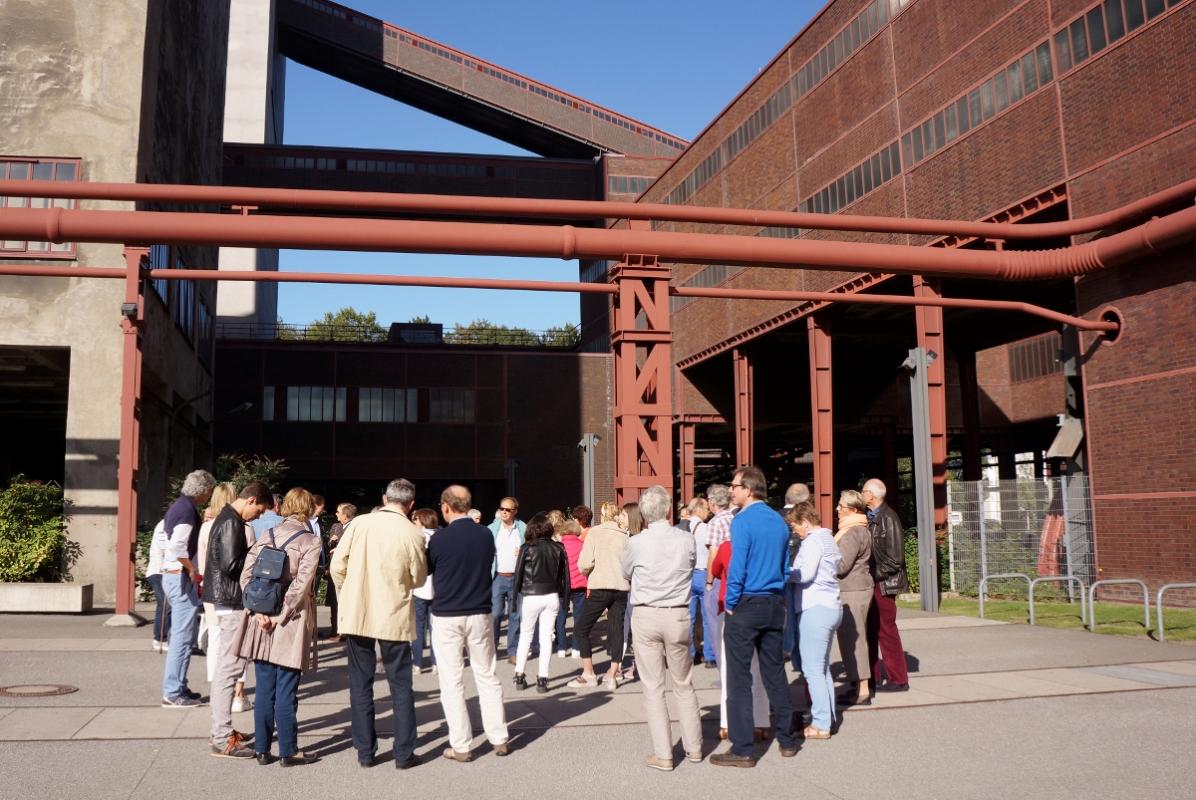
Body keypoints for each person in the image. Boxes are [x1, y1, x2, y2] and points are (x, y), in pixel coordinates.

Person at [330, 479, 428, 770]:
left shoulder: (359, 524)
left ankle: (365, 751)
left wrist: (346, 593)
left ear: (384, 497)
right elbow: (419, 578)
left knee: (360, 684)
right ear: (411, 504)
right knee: (400, 685)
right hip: (393, 612)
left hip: (358, 610)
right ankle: (403, 752)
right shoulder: (411, 532)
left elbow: (337, 566)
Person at [710, 466, 799, 767]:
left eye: (734, 486)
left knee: (738, 678)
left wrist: (731, 600)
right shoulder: (778, 520)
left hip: (747, 603)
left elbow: (738, 565)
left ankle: (743, 748)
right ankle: (787, 740)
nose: (731, 491)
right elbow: (785, 564)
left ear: (748, 489)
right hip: (774, 602)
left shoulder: (743, 520)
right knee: (774, 673)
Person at [235, 487, 323, 766]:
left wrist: (258, 611)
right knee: (286, 687)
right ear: (308, 508)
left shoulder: (267, 534)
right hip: (290, 622)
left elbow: (246, 575)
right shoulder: (311, 541)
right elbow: (301, 585)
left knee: (264, 687)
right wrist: (280, 615)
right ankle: (288, 750)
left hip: (260, 621)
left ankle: (262, 749)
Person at [620, 485, 702, 771]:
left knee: (653, 688)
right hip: (678, 612)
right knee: (683, 684)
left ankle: (664, 754)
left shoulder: (636, 543)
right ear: (668, 509)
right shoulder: (686, 539)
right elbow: (692, 567)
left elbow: (626, 572)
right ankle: (694, 748)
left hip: (646, 613)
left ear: (643, 512)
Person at [429, 485, 511, 762]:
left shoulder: (439, 539)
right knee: (486, 674)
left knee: (451, 681)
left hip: (447, 613)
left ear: (446, 507)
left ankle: (462, 745)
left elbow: (429, 569)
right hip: (479, 611)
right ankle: (499, 736)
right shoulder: (486, 534)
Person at [204, 481, 272, 758]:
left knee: (227, 667)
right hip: (232, 601)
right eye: (260, 510)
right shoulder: (232, 522)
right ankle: (221, 737)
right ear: (251, 499)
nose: (258, 516)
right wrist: (259, 558)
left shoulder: (225, 517)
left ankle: (222, 732)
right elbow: (232, 565)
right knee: (229, 669)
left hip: (224, 599)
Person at [785, 502, 842, 740]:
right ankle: (827, 716)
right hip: (831, 606)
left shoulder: (812, 541)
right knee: (822, 668)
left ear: (805, 522)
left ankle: (820, 723)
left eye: (795, 526)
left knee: (812, 670)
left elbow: (805, 574)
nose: (795, 531)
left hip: (814, 607)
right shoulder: (828, 538)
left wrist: (785, 573)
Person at [160, 469, 216, 709]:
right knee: (183, 638)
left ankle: (178, 686)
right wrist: (191, 569)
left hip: (172, 576)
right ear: (203, 490)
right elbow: (177, 547)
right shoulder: (187, 510)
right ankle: (173, 691)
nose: (210, 496)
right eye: (210, 491)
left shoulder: (180, 506)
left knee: (182, 636)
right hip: (180, 577)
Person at [710, 530, 770, 743]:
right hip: (761, 607)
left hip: (733, 610)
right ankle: (761, 721)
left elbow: (716, 569)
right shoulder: (763, 544)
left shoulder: (728, 546)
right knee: (758, 669)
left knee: (730, 669)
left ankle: (727, 723)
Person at [567, 502, 630, 690]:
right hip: (620, 587)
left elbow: (585, 562)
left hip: (600, 585)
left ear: (602, 515)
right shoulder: (625, 536)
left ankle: (589, 673)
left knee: (581, 628)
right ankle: (612, 674)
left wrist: (587, 572)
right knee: (616, 629)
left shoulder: (595, 533)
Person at [863, 478, 910, 692]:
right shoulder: (871, 517)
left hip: (883, 584)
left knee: (886, 630)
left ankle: (899, 679)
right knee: (870, 631)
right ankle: (871, 678)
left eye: (863, 491)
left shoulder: (888, 518)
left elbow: (896, 559)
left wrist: (872, 574)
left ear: (871, 495)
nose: (861, 495)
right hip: (875, 582)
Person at [512, 513, 569, 693]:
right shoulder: (558, 548)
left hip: (530, 595)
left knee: (526, 635)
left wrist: (514, 601)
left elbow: (518, 576)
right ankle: (542, 679)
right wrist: (566, 601)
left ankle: (519, 675)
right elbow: (565, 578)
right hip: (552, 595)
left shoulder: (526, 548)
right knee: (546, 638)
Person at [834, 489, 874, 706]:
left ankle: (862, 689)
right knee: (855, 639)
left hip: (852, 591)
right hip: (858, 588)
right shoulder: (859, 529)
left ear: (851, 509)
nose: (837, 510)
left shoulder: (851, 533)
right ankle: (858, 684)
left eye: (840, 506)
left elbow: (841, 566)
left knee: (853, 640)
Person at [197, 483, 237, 681]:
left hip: (209, 585)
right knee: (234, 640)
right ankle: (233, 687)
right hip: (232, 589)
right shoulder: (237, 526)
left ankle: (215, 683)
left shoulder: (205, 528)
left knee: (214, 636)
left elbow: (201, 562)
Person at [489, 496, 526, 664]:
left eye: (508, 510)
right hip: (498, 577)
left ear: (515, 512)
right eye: (502, 509)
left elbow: (531, 550)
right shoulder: (491, 529)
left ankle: (513, 651)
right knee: (495, 614)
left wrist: (523, 554)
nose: (504, 512)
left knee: (515, 616)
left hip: (517, 578)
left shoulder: (523, 529)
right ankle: (492, 649)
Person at [702, 483, 734, 669]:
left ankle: (721, 663)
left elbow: (713, 554)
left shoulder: (715, 523)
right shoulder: (735, 518)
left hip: (720, 577)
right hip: (735, 576)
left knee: (714, 623)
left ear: (713, 502)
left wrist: (709, 580)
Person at [683, 497, 716, 667]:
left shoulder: (682, 528)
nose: (708, 512)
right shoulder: (707, 528)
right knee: (708, 616)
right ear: (699, 509)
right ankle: (710, 656)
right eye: (706, 509)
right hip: (704, 574)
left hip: (688, 576)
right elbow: (712, 552)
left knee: (688, 618)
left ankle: (690, 655)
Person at [782, 482, 810, 669]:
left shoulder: (775, 519)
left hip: (782, 576)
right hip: (801, 576)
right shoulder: (804, 521)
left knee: (786, 619)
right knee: (801, 619)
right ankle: (799, 661)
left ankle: (785, 650)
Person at [411, 506, 439, 673]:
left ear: (423, 520)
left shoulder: (417, 537)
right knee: (436, 629)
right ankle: (436, 662)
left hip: (419, 587)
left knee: (418, 628)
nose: (413, 522)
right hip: (438, 588)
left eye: (416, 519)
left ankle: (417, 663)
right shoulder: (441, 537)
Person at [324, 502, 356, 643]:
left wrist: (340, 550)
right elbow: (329, 545)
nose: (336, 514)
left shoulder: (356, 527)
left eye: (338, 512)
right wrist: (331, 542)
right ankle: (335, 629)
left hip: (348, 570)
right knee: (334, 601)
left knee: (346, 601)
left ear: (345, 515)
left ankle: (346, 632)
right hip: (334, 569)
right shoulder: (336, 527)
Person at [557, 516, 587, 658]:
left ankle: (562, 648)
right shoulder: (582, 545)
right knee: (579, 618)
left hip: (562, 587)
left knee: (561, 617)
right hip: (580, 586)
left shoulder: (558, 546)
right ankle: (576, 648)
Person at [146, 518, 171, 653]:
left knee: (166, 604)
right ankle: (160, 638)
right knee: (165, 603)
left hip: (168, 571)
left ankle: (166, 637)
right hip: (158, 571)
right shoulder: (163, 525)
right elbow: (165, 548)